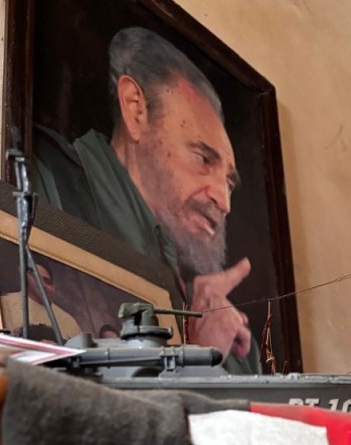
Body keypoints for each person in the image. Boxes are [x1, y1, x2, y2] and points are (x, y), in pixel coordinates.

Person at [33, 27, 260, 374]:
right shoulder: (45, 181)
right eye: (203, 158)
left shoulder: (224, 324)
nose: (224, 201)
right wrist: (198, 354)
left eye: (229, 182)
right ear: (136, 110)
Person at [0, 258, 81, 343]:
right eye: (36, 277)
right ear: (25, 276)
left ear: (54, 286)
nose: (43, 284)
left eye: (47, 281)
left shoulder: (69, 322)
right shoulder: (4, 303)